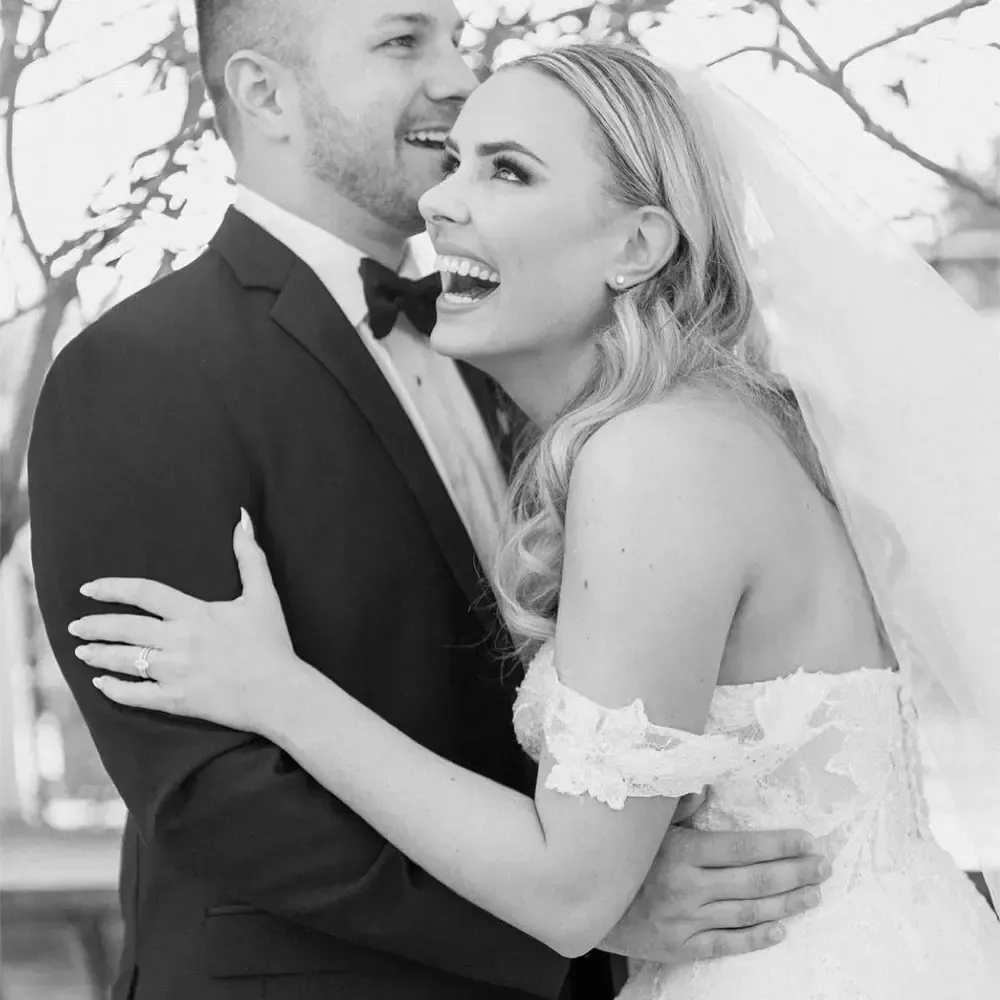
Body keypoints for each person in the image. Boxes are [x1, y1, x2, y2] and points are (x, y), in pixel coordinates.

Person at [64, 42, 1000, 1000]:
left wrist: (275, 689)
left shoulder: (655, 455)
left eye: (507, 170)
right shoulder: (704, 421)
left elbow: (572, 887)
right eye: (460, 158)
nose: (440, 197)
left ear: (639, 246)